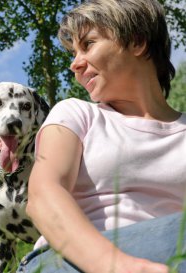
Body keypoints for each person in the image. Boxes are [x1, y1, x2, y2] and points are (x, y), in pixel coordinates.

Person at [17, 0, 186, 272]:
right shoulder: (75, 114)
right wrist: (118, 265)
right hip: (64, 260)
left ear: (137, 42)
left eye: (88, 45)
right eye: (73, 52)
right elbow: (44, 194)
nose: (75, 64)